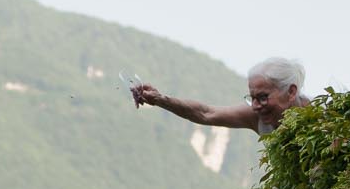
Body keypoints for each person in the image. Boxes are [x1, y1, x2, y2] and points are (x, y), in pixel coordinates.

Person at [129, 58, 310, 135]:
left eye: (263, 97)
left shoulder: (321, 118)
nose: (256, 106)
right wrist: (160, 99)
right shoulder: (258, 118)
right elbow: (205, 113)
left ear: (291, 92)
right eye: (252, 98)